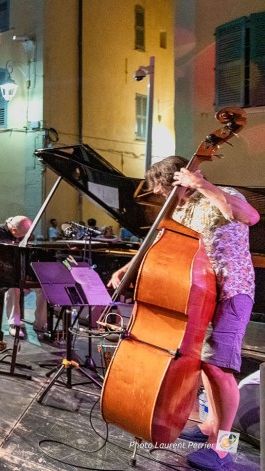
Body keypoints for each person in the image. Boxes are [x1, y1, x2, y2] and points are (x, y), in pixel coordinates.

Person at [108, 157, 259, 471]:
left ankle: (223, 448)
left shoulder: (224, 194)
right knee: (203, 363)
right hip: (199, 294)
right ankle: (210, 425)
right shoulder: (180, 212)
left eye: (162, 189)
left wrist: (201, 184)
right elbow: (158, 246)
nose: (160, 195)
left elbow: (250, 216)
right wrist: (128, 268)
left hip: (232, 290)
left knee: (219, 368)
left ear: (177, 181)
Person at [0, 215, 47, 339]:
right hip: (4, 275)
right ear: (14, 230)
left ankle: (40, 324)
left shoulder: (25, 234)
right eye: (23, 235)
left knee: (43, 289)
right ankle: (14, 324)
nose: (26, 237)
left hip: (24, 274)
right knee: (13, 287)